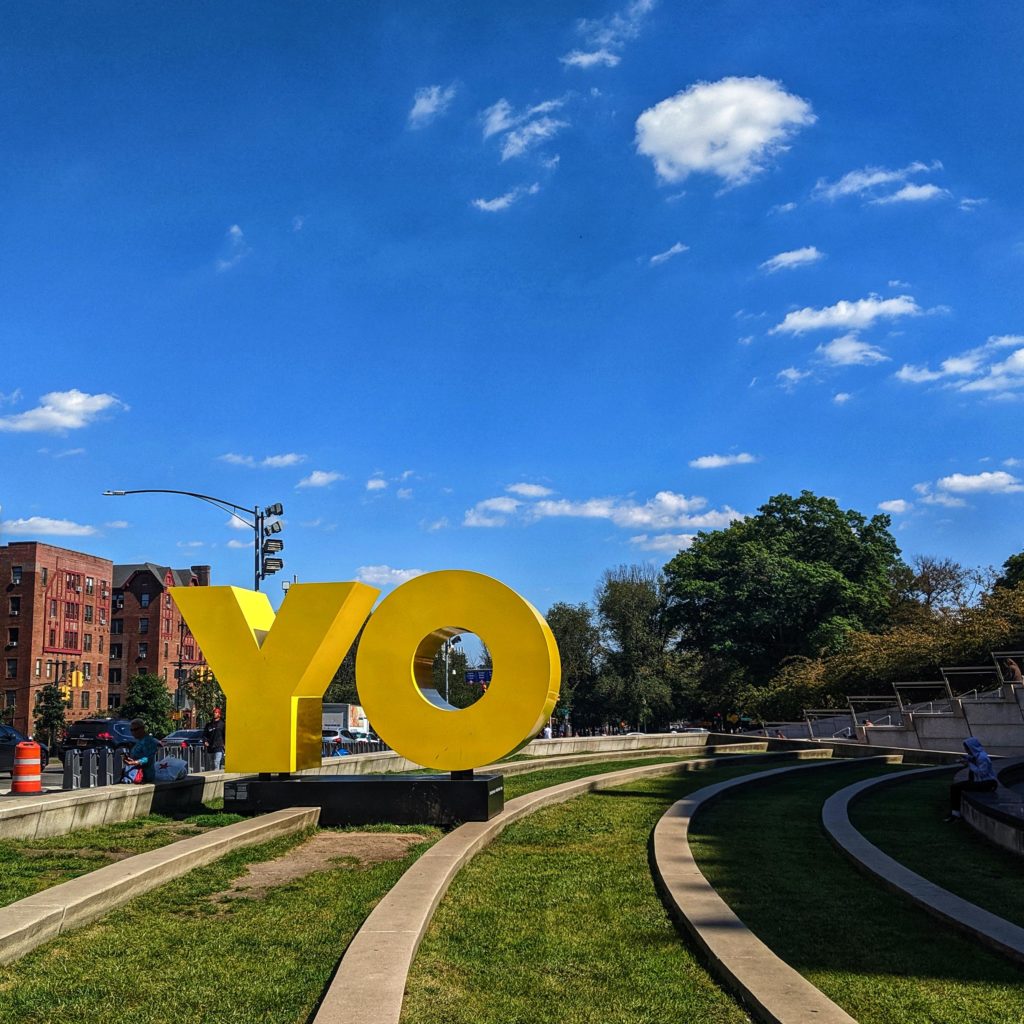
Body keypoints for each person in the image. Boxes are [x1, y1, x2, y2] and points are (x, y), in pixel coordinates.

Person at [947, 737, 997, 821]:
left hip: (987, 783)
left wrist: (969, 764)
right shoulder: (977, 755)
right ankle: (955, 812)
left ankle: (955, 814)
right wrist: (965, 759)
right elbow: (972, 758)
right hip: (980, 781)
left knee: (955, 787)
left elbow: (982, 773)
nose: (966, 750)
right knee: (956, 787)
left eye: (967, 748)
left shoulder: (983, 758)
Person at [123, 718, 159, 784]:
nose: (133, 732)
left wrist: (135, 762)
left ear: (142, 728)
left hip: (144, 776)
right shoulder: (139, 741)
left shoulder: (149, 741)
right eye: (131, 730)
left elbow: (148, 758)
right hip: (135, 774)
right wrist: (130, 760)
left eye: (136, 729)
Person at [203, 706, 226, 771]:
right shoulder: (209, 725)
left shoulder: (222, 724)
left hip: (218, 746)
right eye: (214, 712)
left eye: (216, 712)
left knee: (216, 762)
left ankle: (216, 778)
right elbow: (204, 735)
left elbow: (225, 735)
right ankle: (212, 777)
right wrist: (205, 741)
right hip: (210, 747)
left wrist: (224, 745)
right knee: (211, 764)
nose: (214, 714)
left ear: (219, 714)